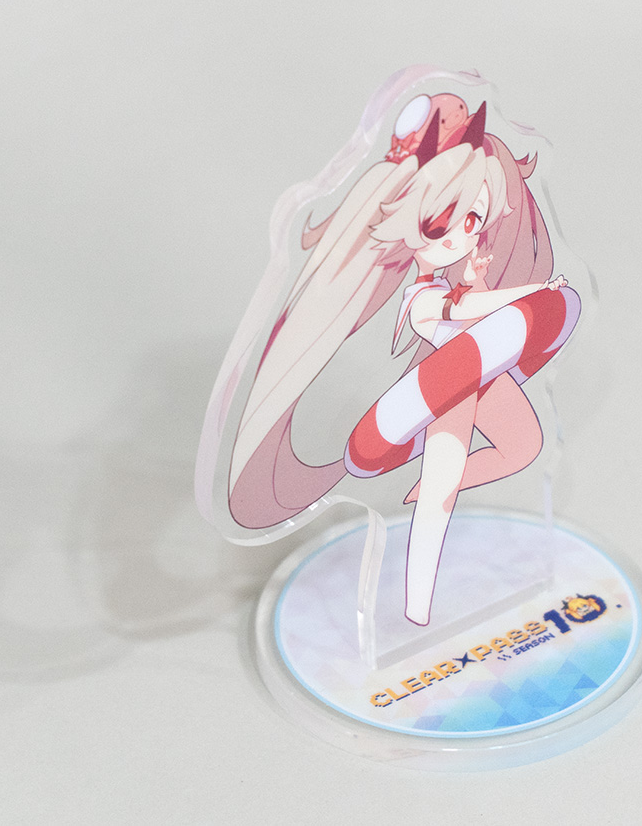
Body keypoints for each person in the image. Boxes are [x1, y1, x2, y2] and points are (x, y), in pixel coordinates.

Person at [229, 92, 579, 625]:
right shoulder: (421, 299)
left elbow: (478, 307)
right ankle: (418, 606)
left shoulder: (465, 276)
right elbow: (466, 310)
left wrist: (491, 285)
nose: (463, 235)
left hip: (483, 373)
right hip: (445, 393)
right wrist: (531, 293)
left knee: (524, 447)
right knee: (442, 487)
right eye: (442, 224)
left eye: (474, 219)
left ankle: (424, 493)